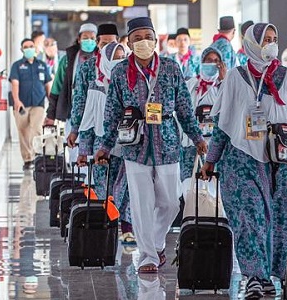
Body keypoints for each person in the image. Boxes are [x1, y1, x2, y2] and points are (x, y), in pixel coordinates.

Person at [200, 22, 287, 300]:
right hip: (241, 160)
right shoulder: (236, 77)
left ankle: (272, 273)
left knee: (278, 220)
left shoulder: (285, 77)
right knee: (249, 218)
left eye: (274, 38)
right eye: (265, 39)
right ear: (251, 43)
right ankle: (255, 276)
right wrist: (211, 159)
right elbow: (223, 124)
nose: (271, 44)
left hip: (279, 160)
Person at [95, 17, 207, 274]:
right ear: (129, 43)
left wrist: (197, 137)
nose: (143, 42)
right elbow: (112, 113)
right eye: (137, 38)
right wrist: (105, 146)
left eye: (147, 37)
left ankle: (156, 243)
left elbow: (184, 108)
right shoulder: (120, 72)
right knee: (141, 203)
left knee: (171, 203)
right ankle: (147, 256)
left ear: (156, 40)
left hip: (167, 142)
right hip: (134, 143)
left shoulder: (170, 68)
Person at [75, 42, 136, 248]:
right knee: (104, 188)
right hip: (102, 147)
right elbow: (88, 120)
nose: (120, 61)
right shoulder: (97, 86)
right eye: (115, 57)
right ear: (106, 59)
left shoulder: (132, 84)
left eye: (123, 57)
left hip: (127, 144)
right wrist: (83, 151)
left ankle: (126, 228)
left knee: (126, 188)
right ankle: (106, 227)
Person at [65, 23, 120, 178]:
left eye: (112, 43)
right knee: (101, 175)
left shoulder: (126, 68)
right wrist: (75, 129)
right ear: (98, 44)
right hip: (99, 132)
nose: (108, 48)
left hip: (125, 135)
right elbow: (80, 101)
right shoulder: (88, 68)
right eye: (104, 43)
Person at [179, 46, 226, 189]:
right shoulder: (191, 84)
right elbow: (183, 111)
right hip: (192, 145)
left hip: (215, 147)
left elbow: (229, 109)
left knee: (214, 190)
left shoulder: (224, 87)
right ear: (202, 62)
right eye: (209, 60)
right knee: (190, 187)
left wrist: (223, 81)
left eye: (216, 61)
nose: (212, 63)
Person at [45, 22, 99, 144]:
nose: (89, 41)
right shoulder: (67, 60)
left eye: (92, 38)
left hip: (97, 112)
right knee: (74, 146)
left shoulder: (102, 59)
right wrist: (50, 115)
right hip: (73, 111)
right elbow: (57, 88)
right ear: (79, 39)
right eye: (85, 38)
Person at [9, 38, 52, 169]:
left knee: (36, 129)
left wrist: (52, 103)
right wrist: (17, 101)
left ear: (35, 48)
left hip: (38, 103)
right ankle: (28, 159)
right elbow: (14, 84)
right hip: (22, 105)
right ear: (22, 50)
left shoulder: (42, 65)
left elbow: (48, 85)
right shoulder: (17, 66)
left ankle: (37, 157)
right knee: (23, 131)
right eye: (26, 47)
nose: (29, 49)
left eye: (31, 46)